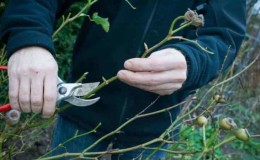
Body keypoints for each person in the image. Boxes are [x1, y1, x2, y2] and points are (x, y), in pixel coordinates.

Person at [0, 0, 246, 159]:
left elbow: (225, 36)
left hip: (154, 128)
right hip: (81, 113)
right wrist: (29, 37)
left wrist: (192, 61)